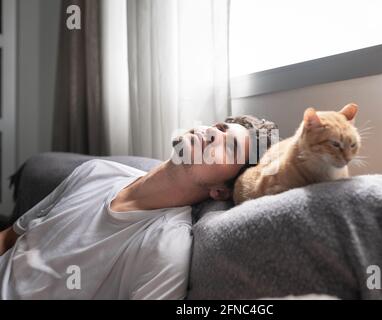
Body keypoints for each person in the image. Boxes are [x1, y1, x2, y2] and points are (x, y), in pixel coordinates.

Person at [0, 115, 278, 300]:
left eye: (228, 146)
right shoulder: (95, 170)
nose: (213, 135)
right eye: (219, 128)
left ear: (220, 191)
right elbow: (10, 237)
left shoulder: (166, 249)